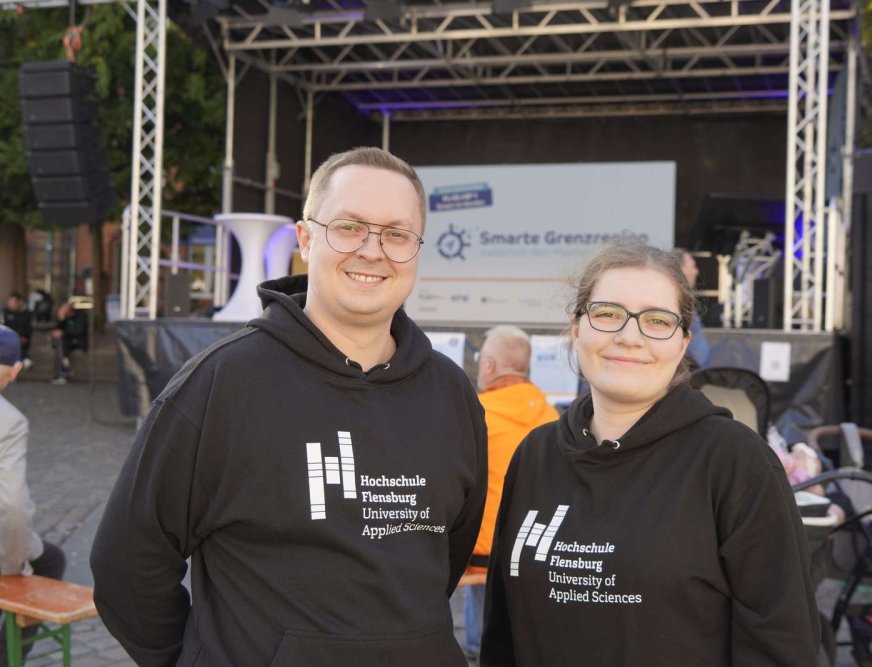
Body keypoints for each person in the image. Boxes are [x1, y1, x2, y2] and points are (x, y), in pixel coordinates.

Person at [90, 147, 488, 666]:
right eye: (349, 227)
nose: (373, 250)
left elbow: (446, 559)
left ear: (416, 249)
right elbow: (126, 564)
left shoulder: (452, 394)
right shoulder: (221, 384)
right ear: (306, 238)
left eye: (397, 234)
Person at [481, 240, 820, 666]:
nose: (629, 336)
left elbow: (782, 645)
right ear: (576, 328)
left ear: (682, 344)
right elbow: (502, 632)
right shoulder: (535, 454)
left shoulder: (734, 461)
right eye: (608, 314)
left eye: (657, 321)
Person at [462, 326, 558, 660]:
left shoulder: (473, 413)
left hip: (479, 548)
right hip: (533, 547)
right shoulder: (551, 415)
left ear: (489, 366)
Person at [0, 325, 67, 666]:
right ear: (15, 369)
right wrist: (14, 570)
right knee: (50, 561)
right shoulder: (9, 421)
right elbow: (12, 507)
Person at [670, 248, 710, 368]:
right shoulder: (673, 303)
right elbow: (697, 356)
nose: (696, 272)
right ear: (680, 269)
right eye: (692, 266)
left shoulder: (684, 301)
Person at [50, 302, 87, 385]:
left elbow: (78, 331)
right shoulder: (65, 318)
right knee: (60, 342)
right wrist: (61, 320)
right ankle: (65, 365)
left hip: (77, 340)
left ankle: (62, 372)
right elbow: (57, 330)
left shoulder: (80, 316)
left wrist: (63, 333)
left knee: (60, 344)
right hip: (66, 342)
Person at [2, 293, 32, 370]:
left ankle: (23, 360)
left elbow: (28, 329)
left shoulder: (26, 314)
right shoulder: (5, 312)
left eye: (13, 302)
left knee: (18, 341)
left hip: (21, 338)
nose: (11, 304)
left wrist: (23, 336)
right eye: (10, 302)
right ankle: (24, 360)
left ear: (20, 302)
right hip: (6, 337)